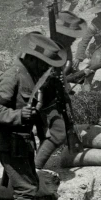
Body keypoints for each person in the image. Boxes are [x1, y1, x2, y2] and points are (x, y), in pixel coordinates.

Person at [0, 32, 67, 200]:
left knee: (29, 185)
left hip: (21, 141)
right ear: (32, 58)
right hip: (9, 140)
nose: (46, 68)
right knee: (25, 188)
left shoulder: (32, 76)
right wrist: (19, 115)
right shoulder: (13, 76)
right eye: (43, 63)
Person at [34, 15, 88, 170]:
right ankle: (35, 169)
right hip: (41, 96)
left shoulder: (64, 49)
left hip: (54, 94)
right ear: (62, 34)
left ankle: (34, 167)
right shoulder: (46, 48)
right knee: (57, 132)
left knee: (47, 132)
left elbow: (65, 72)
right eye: (70, 37)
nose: (73, 41)